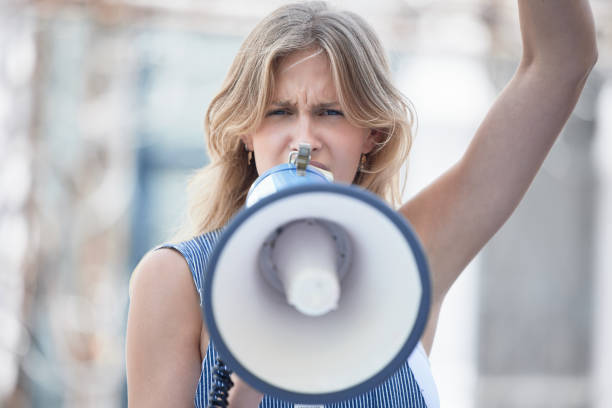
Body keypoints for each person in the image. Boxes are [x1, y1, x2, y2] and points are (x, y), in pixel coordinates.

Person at [125, 1, 598, 407]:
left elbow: (561, 63)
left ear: (371, 135)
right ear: (247, 132)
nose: (304, 140)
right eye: (280, 112)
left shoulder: (411, 259)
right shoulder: (178, 281)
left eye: (330, 112)